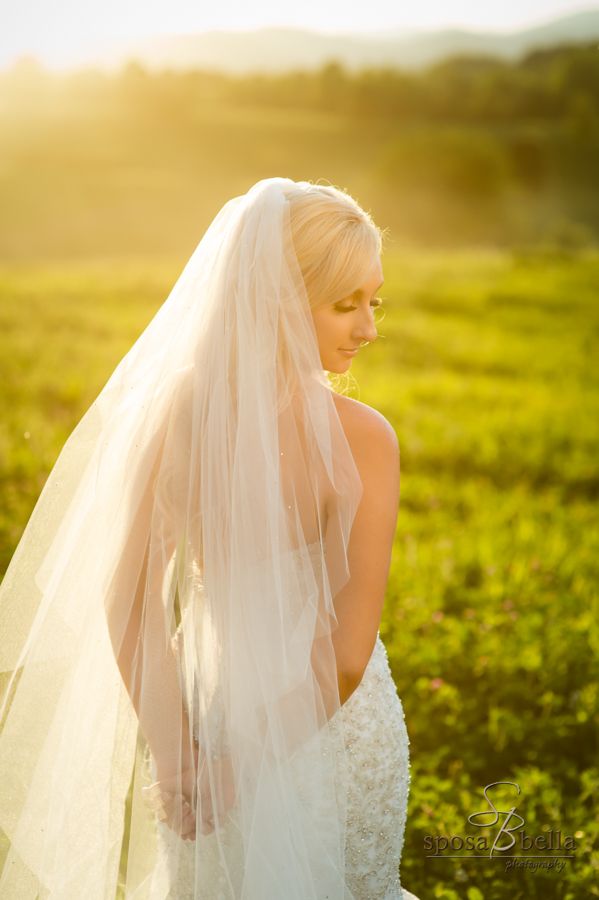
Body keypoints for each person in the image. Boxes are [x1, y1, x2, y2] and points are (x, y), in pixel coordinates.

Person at [0, 178, 419, 900]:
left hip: (246, 724)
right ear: (278, 302)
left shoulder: (175, 418)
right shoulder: (364, 440)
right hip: (291, 727)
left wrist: (182, 758)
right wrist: (198, 762)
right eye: (344, 304)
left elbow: (128, 602)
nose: (368, 328)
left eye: (372, 301)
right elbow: (345, 656)